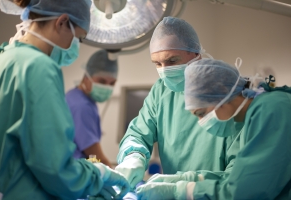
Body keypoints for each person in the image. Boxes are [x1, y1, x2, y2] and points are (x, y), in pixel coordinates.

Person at [0, 0, 129, 199]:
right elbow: (55, 167)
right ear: (62, 22)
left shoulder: (4, 58)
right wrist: (99, 173)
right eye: (79, 39)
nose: (75, 47)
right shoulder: (39, 67)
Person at [115, 16, 242, 190]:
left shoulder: (224, 90)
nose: (165, 70)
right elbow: (138, 132)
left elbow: (239, 177)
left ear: (196, 53)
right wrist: (133, 156)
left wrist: (185, 189)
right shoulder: (161, 91)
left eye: (172, 61)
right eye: (157, 64)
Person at [136, 58, 291, 199]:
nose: (201, 122)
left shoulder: (273, 110)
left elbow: (244, 192)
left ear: (222, 96)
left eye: (201, 113)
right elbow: (237, 178)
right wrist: (188, 179)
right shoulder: (252, 116)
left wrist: (181, 191)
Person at [66, 49, 118, 168]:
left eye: (112, 83)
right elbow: (93, 156)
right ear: (86, 77)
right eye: (101, 81)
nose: (107, 87)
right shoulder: (82, 106)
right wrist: (112, 173)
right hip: (75, 174)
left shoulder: (74, 96)